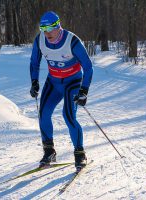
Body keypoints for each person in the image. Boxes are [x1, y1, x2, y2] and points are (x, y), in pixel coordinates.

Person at [29, 11, 93, 171]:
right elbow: (34, 62)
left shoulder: (72, 41)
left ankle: (79, 153)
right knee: (43, 113)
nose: (46, 32)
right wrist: (35, 82)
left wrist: (84, 90)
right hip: (53, 82)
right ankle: (49, 151)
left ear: (58, 26)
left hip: (72, 82)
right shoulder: (40, 40)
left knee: (68, 115)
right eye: (43, 28)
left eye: (50, 28)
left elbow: (88, 67)